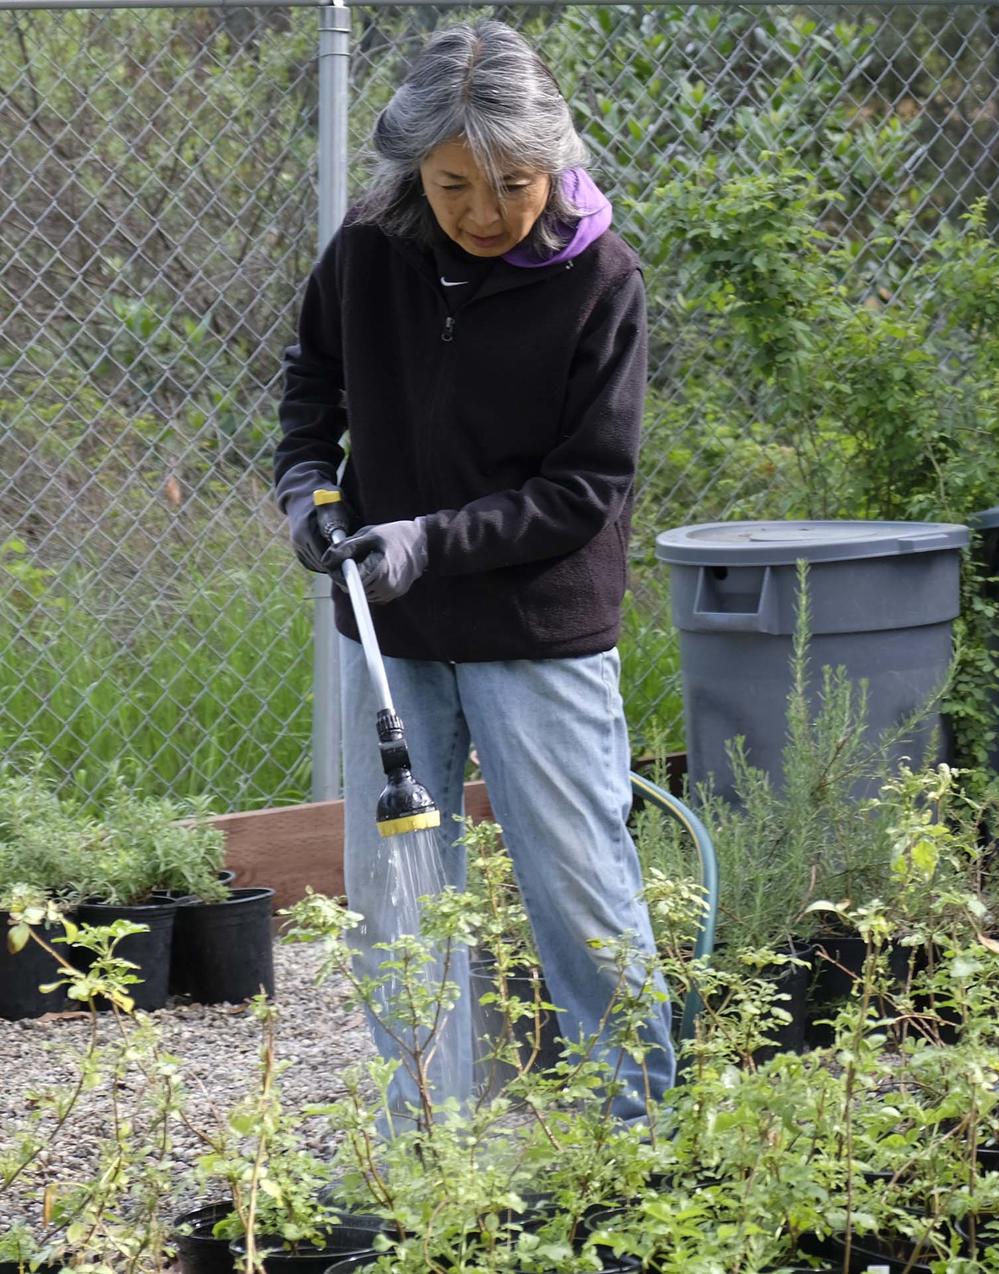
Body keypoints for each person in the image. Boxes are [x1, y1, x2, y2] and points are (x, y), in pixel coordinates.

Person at [273, 19, 674, 1125]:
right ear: (416, 175)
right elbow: (312, 377)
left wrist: (425, 539)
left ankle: (632, 1144)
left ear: (557, 159)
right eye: (454, 186)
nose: (486, 212)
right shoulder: (369, 248)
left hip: (537, 631)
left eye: (512, 182)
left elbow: (584, 489)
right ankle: (421, 1150)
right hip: (392, 632)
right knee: (398, 899)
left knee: (578, 892)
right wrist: (306, 484)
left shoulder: (599, 278)